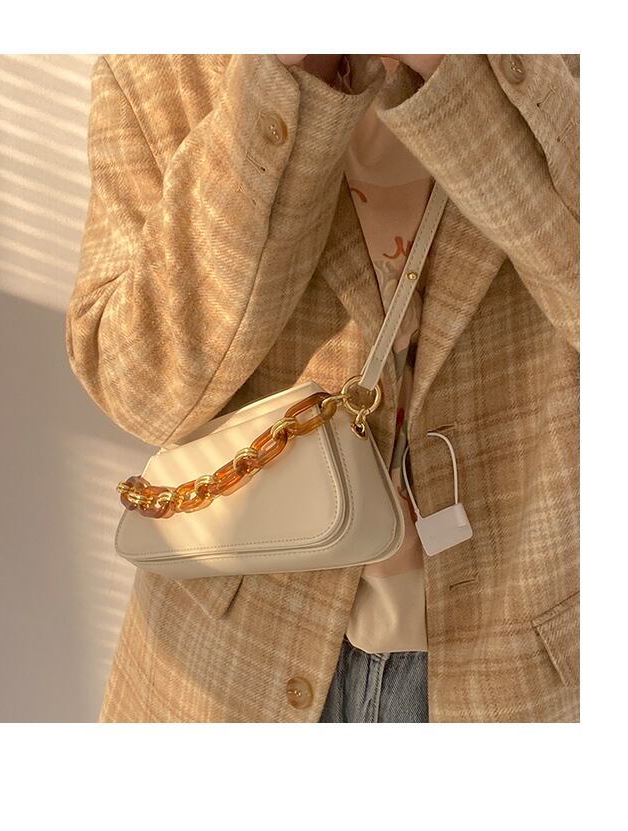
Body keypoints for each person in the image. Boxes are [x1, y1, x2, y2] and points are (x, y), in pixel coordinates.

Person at [66, 53, 579, 722]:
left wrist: (467, 79)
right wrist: (278, 86)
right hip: (225, 663)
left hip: (520, 665)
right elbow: (141, 388)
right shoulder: (166, 64)